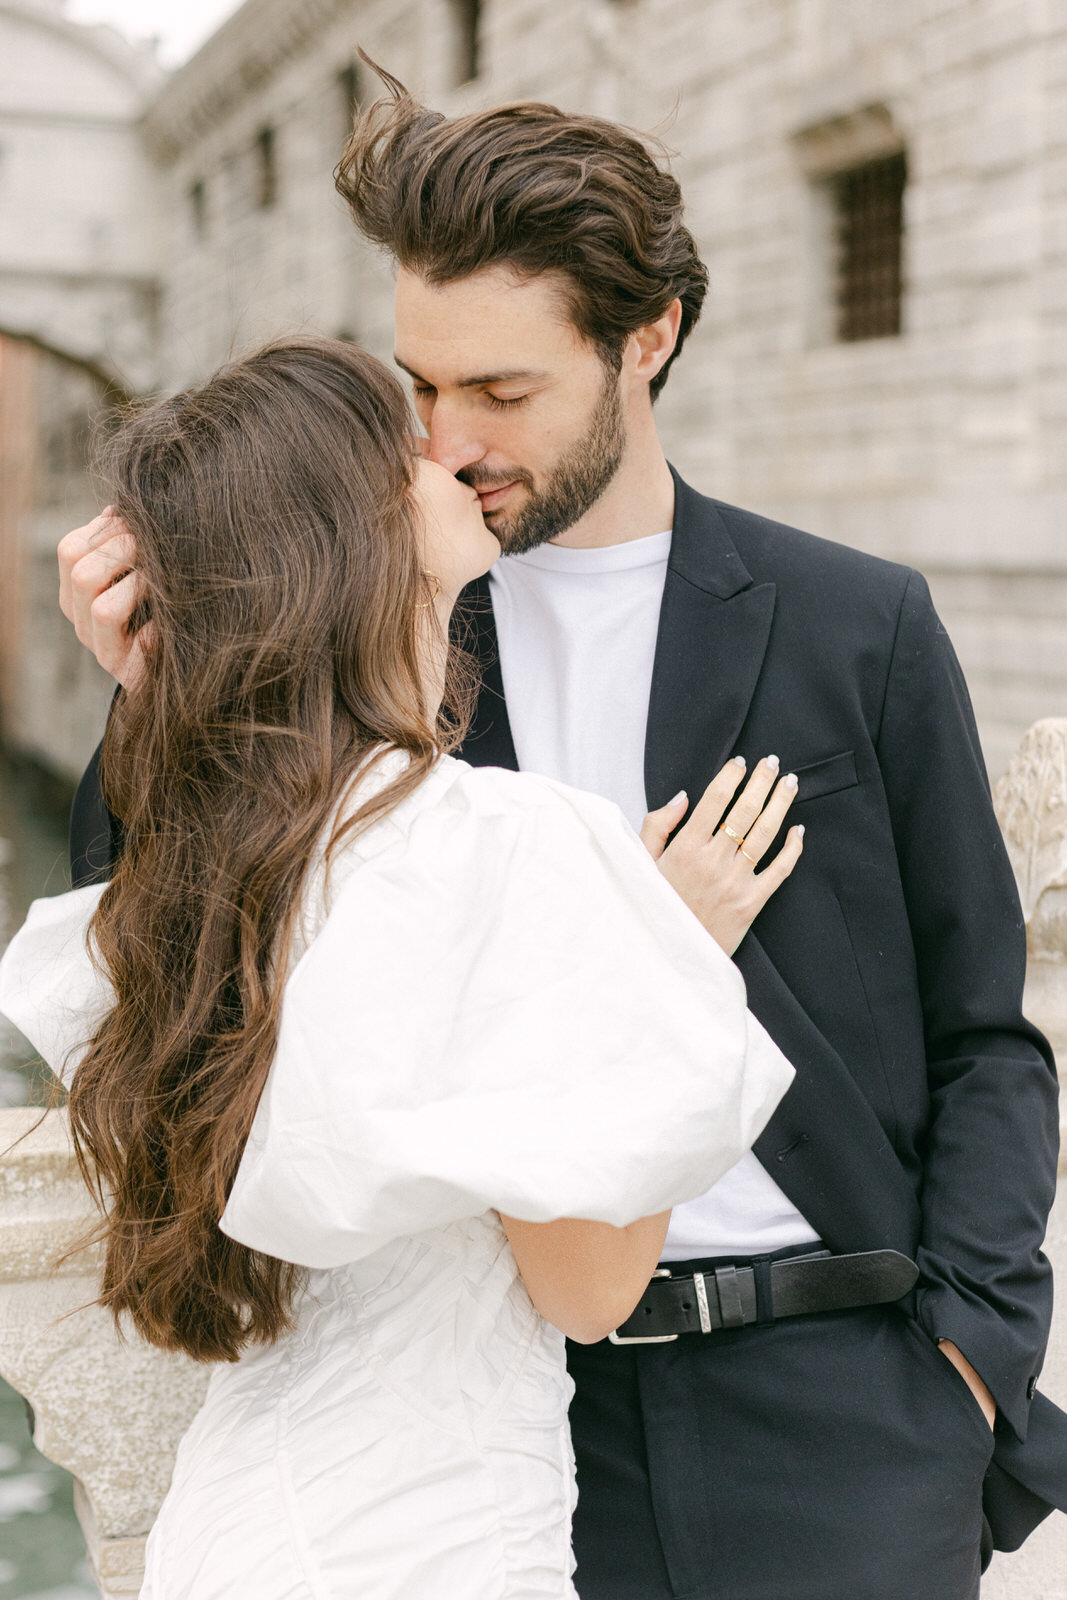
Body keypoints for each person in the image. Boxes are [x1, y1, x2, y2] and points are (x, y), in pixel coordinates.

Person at [57, 67, 1066, 1600]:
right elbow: (184, 950)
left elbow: (985, 1032)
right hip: (521, 1412)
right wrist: (149, 699)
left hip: (840, 1412)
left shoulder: (856, 626)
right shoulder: (372, 627)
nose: (451, 441)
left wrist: (965, 1359)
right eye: (422, 387)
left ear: (644, 338)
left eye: (504, 393)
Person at [0, 337, 803, 1599]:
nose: (453, 451)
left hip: (237, 1526)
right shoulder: (507, 846)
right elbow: (588, 1288)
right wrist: (661, 953)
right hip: (433, 1539)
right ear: (363, 525)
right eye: (409, 437)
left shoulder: (215, 863)